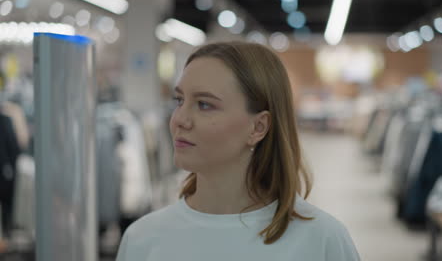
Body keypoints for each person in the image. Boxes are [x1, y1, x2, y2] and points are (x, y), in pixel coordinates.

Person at [115, 41, 360, 261]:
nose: (179, 119)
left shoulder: (322, 241)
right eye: (179, 100)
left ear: (258, 127)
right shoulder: (142, 239)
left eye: (204, 104)